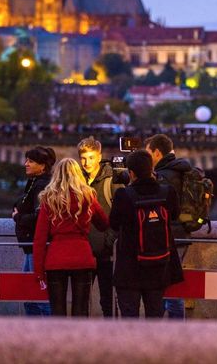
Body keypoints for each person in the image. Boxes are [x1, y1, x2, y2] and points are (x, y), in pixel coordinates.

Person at [110, 150, 183, 318]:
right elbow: (174, 216)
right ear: (152, 169)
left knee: (130, 319)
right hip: (158, 266)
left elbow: (113, 224)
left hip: (129, 268)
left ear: (131, 173)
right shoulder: (167, 192)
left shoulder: (123, 195)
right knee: (155, 317)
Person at [33, 158, 109, 316]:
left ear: (57, 175)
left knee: (58, 311)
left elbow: (39, 239)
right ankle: (79, 340)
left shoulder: (49, 199)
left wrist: (38, 270)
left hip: (56, 258)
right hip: (82, 256)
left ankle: (59, 340)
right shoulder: (87, 196)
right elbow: (103, 223)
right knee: (80, 310)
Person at [144, 134, 192, 319]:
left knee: (170, 291)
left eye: (148, 153)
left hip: (169, 236)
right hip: (182, 233)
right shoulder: (181, 169)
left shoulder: (163, 176)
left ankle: (174, 332)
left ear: (157, 153)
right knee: (170, 287)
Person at [77, 136, 122, 317]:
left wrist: (108, 242)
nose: (86, 163)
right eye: (83, 158)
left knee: (108, 301)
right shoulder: (77, 179)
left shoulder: (112, 180)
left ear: (99, 156)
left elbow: (119, 214)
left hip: (106, 253)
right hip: (82, 251)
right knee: (81, 302)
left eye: (91, 158)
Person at [12, 146, 55, 316]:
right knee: (30, 295)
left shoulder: (41, 185)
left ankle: (44, 335)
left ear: (42, 166)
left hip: (37, 247)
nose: (25, 164)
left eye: (30, 161)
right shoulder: (35, 183)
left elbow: (40, 217)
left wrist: (18, 217)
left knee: (37, 297)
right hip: (31, 245)